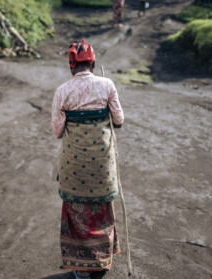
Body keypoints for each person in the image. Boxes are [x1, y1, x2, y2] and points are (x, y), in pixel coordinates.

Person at [51, 40, 125, 279]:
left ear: (71, 66)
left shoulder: (62, 91)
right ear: (93, 63)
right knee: (101, 209)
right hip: (103, 166)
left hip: (74, 168)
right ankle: (102, 262)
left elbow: (57, 131)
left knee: (76, 212)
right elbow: (119, 120)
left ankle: (81, 270)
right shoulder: (107, 85)